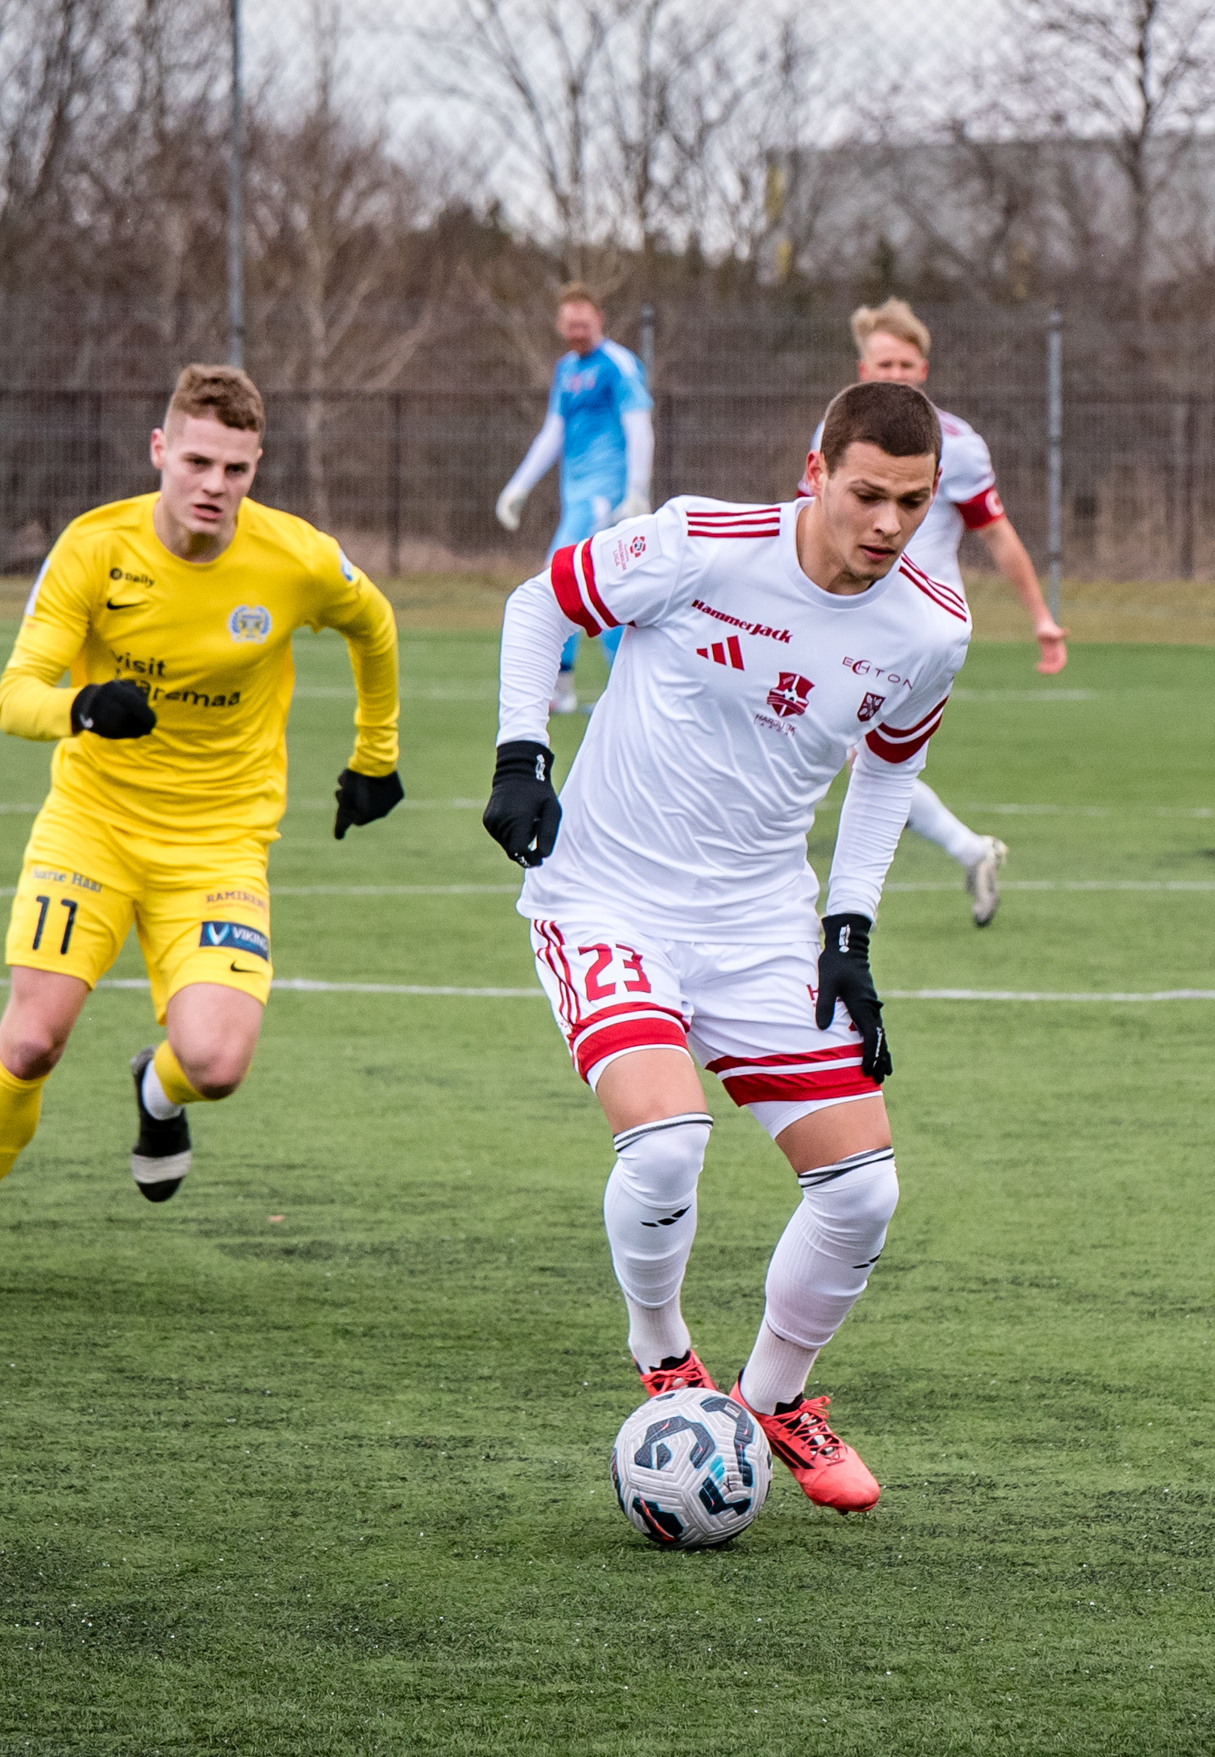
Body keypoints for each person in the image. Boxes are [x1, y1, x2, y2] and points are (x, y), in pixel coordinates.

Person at [481, 379, 971, 1513]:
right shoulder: (701, 541)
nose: (887, 525)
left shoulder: (932, 628)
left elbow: (891, 767)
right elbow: (535, 604)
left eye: (911, 500)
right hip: (605, 897)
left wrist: (849, 926)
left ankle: (775, 1395)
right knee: (663, 1149)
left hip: (760, 923)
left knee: (863, 1192)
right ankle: (665, 1359)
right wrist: (521, 755)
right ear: (815, 474)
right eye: (865, 495)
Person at [0, 365, 404, 1298]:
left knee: (217, 1062)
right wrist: (82, 705)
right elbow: (14, 697)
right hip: (90, 828)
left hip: (217, 846)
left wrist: (377, 758)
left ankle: (156, 1089)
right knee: (33, 1041)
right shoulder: (95, 548)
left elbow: (374, 625)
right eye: (199, 461)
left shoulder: (294, 559)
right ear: (161, 451)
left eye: (237, 469)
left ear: (256, 469)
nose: (216, 486)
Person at [805, 297, 1065, 926]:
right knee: (839, 747)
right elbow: (807, 530)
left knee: (841, 746)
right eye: (882, 361)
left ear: (922, 370)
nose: (893, 372)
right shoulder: (832, 438)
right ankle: (969, 850)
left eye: (905, 362)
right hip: (844, 616)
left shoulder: (956, 446)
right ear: (862, 368)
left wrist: (1041, 617)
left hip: (915, 633)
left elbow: (998, 536)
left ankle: (790, 884)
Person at [495, 284, 654, 713]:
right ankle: (625, 687)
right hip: (576, 494)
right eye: (570, 319)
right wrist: (519, 487)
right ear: (560, 324)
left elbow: (639, 425)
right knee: (607, 592)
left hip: (607, 497)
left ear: (599, 318)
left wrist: (637, 491)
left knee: (558, 574)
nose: (577, 326)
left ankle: (561, 687)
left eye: (584, 318)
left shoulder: (618, 364)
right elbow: (554, 432)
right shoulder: (566, 369)